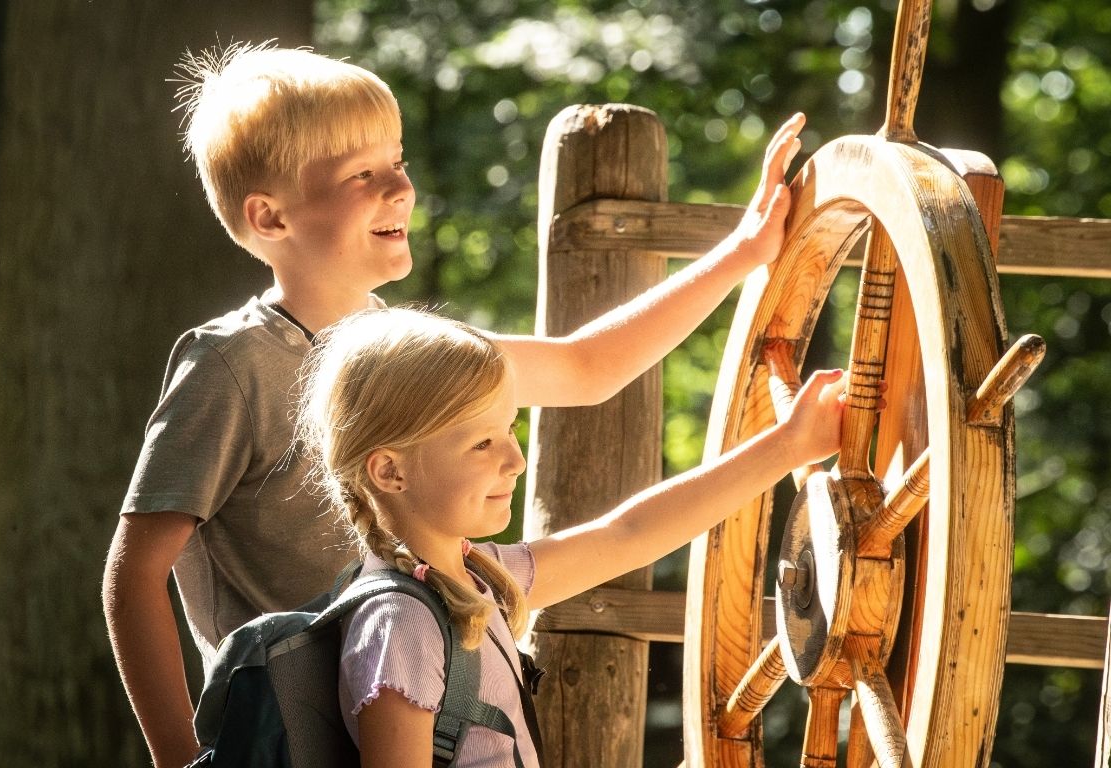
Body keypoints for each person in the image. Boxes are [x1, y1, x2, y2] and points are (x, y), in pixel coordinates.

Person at [101, 42, 806, 768]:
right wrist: (178, 759)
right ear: (270, 217)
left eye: (398, 161)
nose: (401, 187)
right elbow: (136, 572)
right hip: (294, 741)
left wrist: (743, 253)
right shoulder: (230, 365)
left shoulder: (407, 356)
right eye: (363, 174)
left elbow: (585, 368)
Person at [293, 307, 845, 767]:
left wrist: (789, 446)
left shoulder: (473, 577)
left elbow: (628, 534)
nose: (515, 460)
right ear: (390, 471)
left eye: (510, 429)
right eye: (482, 444)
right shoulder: (401, 621)